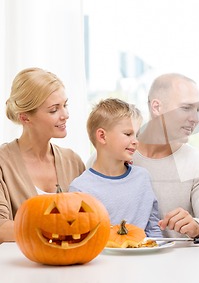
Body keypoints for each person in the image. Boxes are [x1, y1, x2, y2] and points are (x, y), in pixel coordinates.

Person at [134, 73, 199, 239]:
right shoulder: (111, 158)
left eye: (197, 110)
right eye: (186, 108)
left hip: (179, 264)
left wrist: (197, 226)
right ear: (157, 107)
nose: (195, 119)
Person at [0, 68, 85, 242]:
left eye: (65, 105)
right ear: (25, 118)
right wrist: (58, 227)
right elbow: (2, 228)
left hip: (72, 265)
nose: (65, 115)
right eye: (54, 110)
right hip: (21, 267)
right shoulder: (3, 163)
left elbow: (90, 213)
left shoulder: (73, 161)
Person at [69, 98, 162, 237]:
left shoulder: (142, 177)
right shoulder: (80, 188)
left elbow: (153, 228)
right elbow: (80, 237)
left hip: (143, 256)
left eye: (136, 135)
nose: (135, 141)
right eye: (128, 134)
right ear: (102, 136)